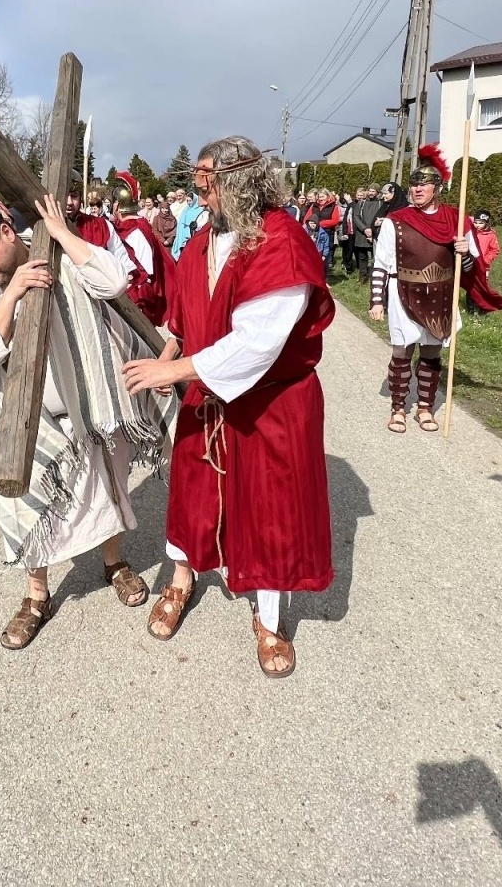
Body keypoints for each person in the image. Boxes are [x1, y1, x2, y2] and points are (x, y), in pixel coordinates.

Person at [124, 135, 335, 678]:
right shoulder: (200, 244)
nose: (199, 194)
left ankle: (269, 618)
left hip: (272, 404)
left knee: (269, 511)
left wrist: (173, 371)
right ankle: (181, 579)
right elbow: (182, 318)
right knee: (193, 495)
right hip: (207, 393)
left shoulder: (281, 243)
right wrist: (169, 353)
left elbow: (256, 345)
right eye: (197, 183)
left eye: (208, 184)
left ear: (239, 183)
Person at [0, 195, 174, 650]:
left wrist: (64, 235)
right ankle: (37, 595)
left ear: (7, 233)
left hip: (93, 412)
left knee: (109, 490)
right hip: (24, 425)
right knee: (24, 508)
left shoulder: (63, 257)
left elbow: (115, 280)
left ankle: (114, 563)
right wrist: (12, 293)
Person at [370, 146, 474, 434]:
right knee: (402, 352)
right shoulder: (397, 220)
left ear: (436, 188)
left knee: (431, 352)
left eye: (423, 185)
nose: (417, 189)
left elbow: (469, 269)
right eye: (414, 185)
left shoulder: (456, 219)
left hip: (441, 294)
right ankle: (398, 408)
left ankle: (425, 407)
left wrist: (464, 252)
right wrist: (377, 300)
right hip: (403, 291)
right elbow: (381, 263)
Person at [110, 173, 174, 326]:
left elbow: (146, 270)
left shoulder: (136, 230)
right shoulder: (127, 227)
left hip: (136, 298)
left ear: (118, 205)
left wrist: (139, 300)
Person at [347, 184, 381, 282]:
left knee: (376, 256)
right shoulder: (361, 203)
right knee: (362, 256)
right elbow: (356, 217)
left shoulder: (380, 203)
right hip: (362, 233)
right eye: (370, 191)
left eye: (373, 191)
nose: (371, 193)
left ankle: (375, 276)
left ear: (377, 192)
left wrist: (372, 229)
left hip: (375, 232)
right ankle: (362, 276)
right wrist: (364, 229)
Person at [171, 189, 208, 260]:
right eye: (187, 201)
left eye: (190, 200)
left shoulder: (200, 210)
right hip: (182, 236)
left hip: (192, 236)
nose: (189, 202)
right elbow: (181, 223)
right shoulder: (185, 210)